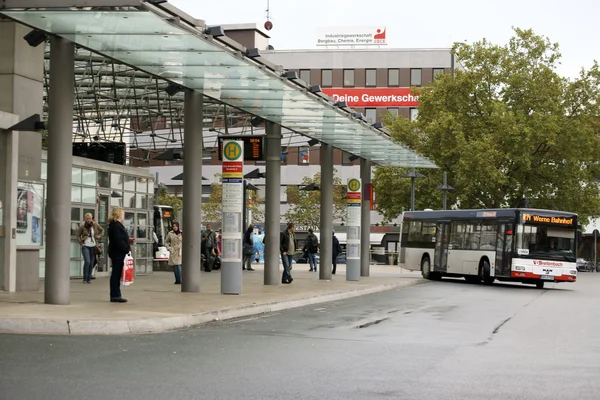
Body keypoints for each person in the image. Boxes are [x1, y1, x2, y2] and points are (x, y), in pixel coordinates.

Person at [107, 207, 130, 303]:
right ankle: (115, 295)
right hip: (118, 252)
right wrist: (126, 248)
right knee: (116, 274)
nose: (123, 215)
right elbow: (118, 240)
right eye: (122, 213)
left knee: (116, 274)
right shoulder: (116, 226)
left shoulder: (116, 225)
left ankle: (116, 294)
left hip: (117, 252)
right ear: (118, 214)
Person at [77, 213, 104, 284]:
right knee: (87, 262)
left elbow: (102, 230)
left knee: (91, 263)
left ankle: (89, 278)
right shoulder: (82, 226)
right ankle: (85, 278)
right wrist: (81, 242)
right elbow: (78, 235)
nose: (89, 220)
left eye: (90, 218)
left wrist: (99, 236)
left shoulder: (95, 225)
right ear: (85, 219)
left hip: (93, 246)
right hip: (85, 246)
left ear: (92, 218)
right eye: (87, 218)